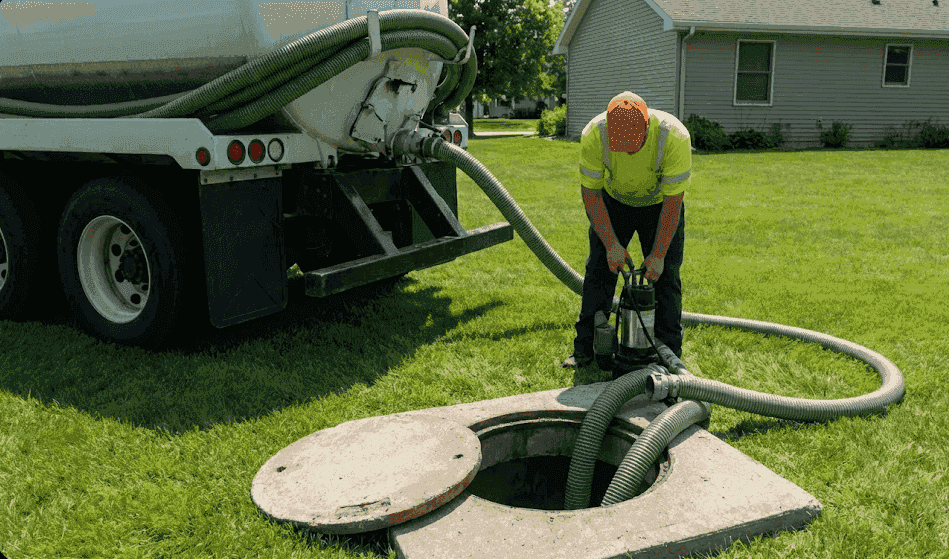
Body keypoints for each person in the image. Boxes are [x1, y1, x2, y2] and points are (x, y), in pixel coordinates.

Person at [563, 91, 691, 369]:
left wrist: (657, 255)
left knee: (666, 276)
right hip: (614, 202)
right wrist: (612, 245)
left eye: (632, 145)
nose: (626, 152)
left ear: (646, 127)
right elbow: (591, 194)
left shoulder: (674, 136)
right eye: (619, 145)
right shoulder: (594, 134)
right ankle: (585, 349)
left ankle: (669, 354)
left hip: (659, 205)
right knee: (599, 271)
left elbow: (673, 204)